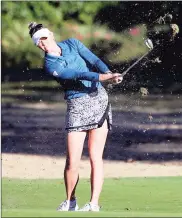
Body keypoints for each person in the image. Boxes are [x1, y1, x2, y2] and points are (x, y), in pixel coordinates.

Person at [28, 22, 123, 212]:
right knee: (72, 160)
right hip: (77, 106)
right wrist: (103, 78)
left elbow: (94, 60)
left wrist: (108, 72)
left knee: (96, 157)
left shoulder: (72, 43)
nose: (42, 44)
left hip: (98, 101)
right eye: (38, 42)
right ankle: (70, 201)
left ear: (51, 35)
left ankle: (94, 204)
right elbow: (77, 74)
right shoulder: (50, 65)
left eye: (44, 38)